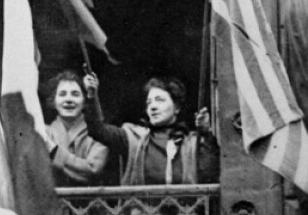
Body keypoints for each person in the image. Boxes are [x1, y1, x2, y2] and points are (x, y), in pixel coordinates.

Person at [82, 73, 220, 185]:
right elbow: (98, 130)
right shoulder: (133, 137)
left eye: (160, 100)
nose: (153, 107)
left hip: (184, 211)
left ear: (177, 107)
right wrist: (91, 96)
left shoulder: (192, 143)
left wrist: (206, 132)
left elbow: (210, 175)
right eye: (149, 103)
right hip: (142, 211)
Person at [45, 70, 109, 186]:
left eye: (75, 94)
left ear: (84, 101)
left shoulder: (99, 134)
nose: (69, 100)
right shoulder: (44, 133)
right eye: (62, 94)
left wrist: (55, 152)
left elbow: (93, 170)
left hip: (90, 197)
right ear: (54, 101)